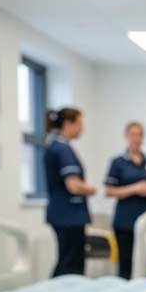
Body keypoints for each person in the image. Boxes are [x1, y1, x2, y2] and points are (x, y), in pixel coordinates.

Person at [104, 121, 146, 279]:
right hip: (125, 221)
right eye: (133, 134)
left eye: (139, 134)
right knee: (126, 263)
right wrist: (134, 188)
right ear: (126, 136)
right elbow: (109, 191)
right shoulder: (118, 163)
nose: (136, 138)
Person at [43, 106, 95, 277]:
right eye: (80, 124)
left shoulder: (55, 146)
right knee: (71, 265)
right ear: (68, 123)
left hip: (64, 214)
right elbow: (73, 186)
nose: (82, 129)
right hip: (69, 215)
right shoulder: (62, 148)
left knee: (67, 261)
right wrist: (91, 189)